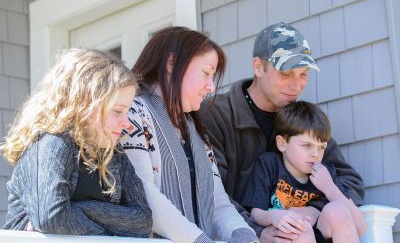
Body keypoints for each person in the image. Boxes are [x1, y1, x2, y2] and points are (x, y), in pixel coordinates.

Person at [199, 22, 365, 243]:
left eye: (303, 74)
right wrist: (259, 232)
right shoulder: (216, 115)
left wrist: (314, 209)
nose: (297, 86)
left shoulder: (300, 120)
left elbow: (348, 181)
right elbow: (209, 193)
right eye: (286, 73)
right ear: (258, 67)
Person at [120, 26, 258, 243]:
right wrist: (199, 240)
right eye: (206, 72)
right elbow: (144, 195)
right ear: (171, 63)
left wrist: (245, 237)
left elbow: (218, 203)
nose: (211, 86)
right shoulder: (132, 113)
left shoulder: (196, 132)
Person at [1, 49, 152, 237]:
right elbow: (53, 218)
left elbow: (143, 221)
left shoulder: (114, 154)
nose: (127, 123)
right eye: (117, 111)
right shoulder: (49, 142)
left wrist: (79, 209)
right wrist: (112, 231)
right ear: (83, 104)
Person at [242, 101, 366, 243]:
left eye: (321, 147)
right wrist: (274, 216)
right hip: (287, 236)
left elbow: (360, 226)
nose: (315, 154)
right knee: (299, 230)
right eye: (307, 145)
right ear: (282, 144)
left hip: (320, 233)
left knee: (338, 211)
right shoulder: (269, 165)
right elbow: (256, 213)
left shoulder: (324, 174)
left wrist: (330, 188)